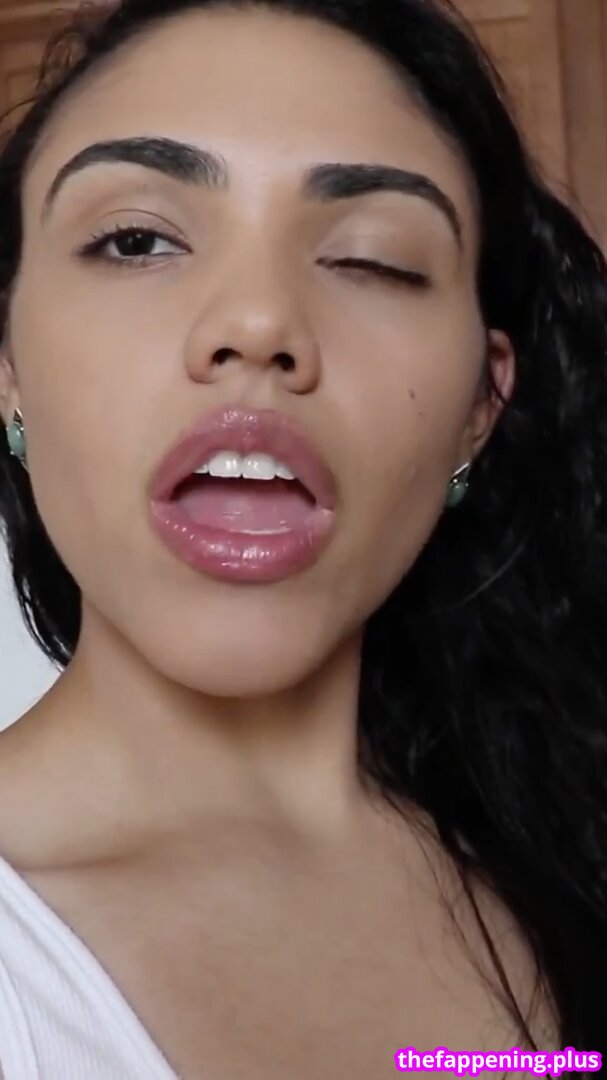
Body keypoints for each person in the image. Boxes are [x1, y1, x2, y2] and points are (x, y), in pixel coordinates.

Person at [0, 0, 604, 1075]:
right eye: (136, 240)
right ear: (8, 370)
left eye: (371, 260)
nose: (258, 323)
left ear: (481, 405)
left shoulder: (561, 849)